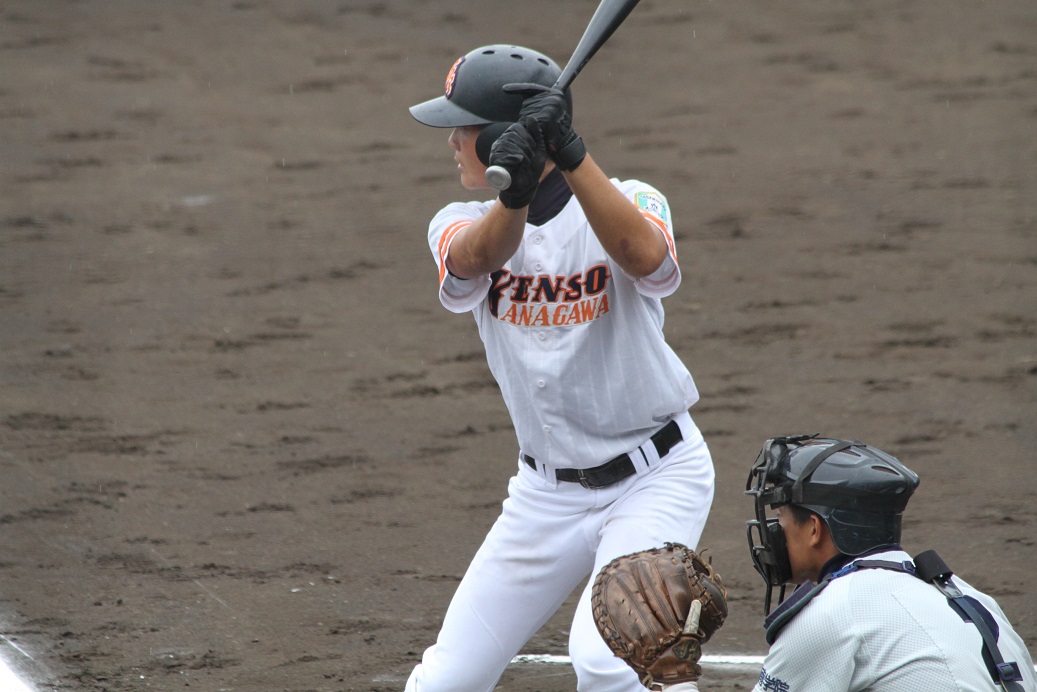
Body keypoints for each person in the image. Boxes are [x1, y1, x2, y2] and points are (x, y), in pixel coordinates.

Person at [405, 44, 715, 691]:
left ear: (496, 135)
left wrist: (571, 155)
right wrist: (515, 194)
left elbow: (645, 256)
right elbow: (473, 258)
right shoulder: (457, 221)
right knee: (444, 682)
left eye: (463, 128)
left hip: (653, 476)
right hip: (542, 498)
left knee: (612, 656)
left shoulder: (630, 199)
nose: (452, 141)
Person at [745, 434, 1036, 692]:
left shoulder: (833, 611)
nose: (776, 529)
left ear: (813, 529)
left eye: (781, 515)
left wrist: (695, 670)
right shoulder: (972, 597)